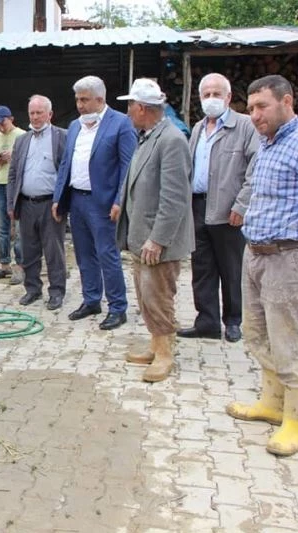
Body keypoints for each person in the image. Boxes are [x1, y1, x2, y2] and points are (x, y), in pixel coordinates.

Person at [225, 75, 298, 457]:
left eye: (261, 106)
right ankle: (271, 403)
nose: (254, 115)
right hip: (255, 254)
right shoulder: (267, 146)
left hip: (291, 256)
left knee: (290, 341)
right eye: (250, 108)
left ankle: (296, 420)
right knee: (256, 334)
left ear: (287, 102)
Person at [115, 79, 193, 382]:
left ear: (143, 108)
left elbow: (174, 197)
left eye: (130, 105)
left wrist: (158, 239)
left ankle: (164, 355)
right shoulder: (148, 136)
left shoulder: (171, 140)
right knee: (147, 296)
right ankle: (156, 344)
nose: (128, 111)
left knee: (159, 297)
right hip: (141, 237)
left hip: (157, 241)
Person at [177, 73, 258, 343]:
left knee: (232, 269)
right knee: (202, 269)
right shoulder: (199, 128)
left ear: (228, 97)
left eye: (216, 94)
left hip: (229, 211)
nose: (211, 99)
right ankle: (207, 322)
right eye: (206, 94)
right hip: (198, 207)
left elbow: (255, 171)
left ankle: (233, 321)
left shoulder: (245, 127)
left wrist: (242, 205)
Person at [52, 76, 136, 330]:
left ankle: (117, 307)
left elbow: (128, 167)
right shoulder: (75, 126)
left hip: (104, 203)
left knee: (107, 255)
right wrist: (58, 197)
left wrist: (120, 200)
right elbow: (66, 163)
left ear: (100, 99)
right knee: (83, 254)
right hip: (77, 199)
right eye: (77, 99)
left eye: (85, 100)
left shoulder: (121, 124)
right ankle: (91, 300)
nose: (79, 104)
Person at [7, 94, 67, 310]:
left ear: (49, 114)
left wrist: (63, 203)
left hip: (51, 204)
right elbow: (13, 174)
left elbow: (67, 172)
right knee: (29, 250)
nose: (35, 117)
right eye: (32, 113)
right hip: (26, 203)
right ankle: (32, 289)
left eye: (39, 112)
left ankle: (57, 292)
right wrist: (10, 204)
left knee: (54, 250)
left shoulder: (62, 137)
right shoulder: (22, 140)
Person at [0, 105, 25, 285]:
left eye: (3, 123)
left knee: (19, 226)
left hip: (17, 185)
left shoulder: (23, 136)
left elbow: (28, 161)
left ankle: (20, 266)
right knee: (2, 226)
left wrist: (13, 156)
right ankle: (4, 265)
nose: (0, 127)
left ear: (11, 119)